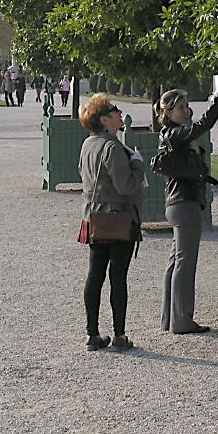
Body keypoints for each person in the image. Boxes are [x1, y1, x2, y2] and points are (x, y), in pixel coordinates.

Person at [156, 73, 218, 335]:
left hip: (176, 203)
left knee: (177, 260)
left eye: (187, 106)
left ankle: (170, 318)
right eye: (181, 107)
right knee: (185, 262)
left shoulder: (169, 134)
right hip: (185, 202)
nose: (187, 110)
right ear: (168, 112)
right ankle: (181, 320)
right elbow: (205, 123)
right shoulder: (176, 134)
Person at [78, 93, 146, 351]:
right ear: (104, 120)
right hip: (118, 217)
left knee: (95, 274)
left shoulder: (88, 143)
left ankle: (92, 334)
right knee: (118, 277)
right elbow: (125, 186)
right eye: (114, 111)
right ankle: (119, 335)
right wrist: (138, 166)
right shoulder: (113, 148)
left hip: (93, 216)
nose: (120, 114)